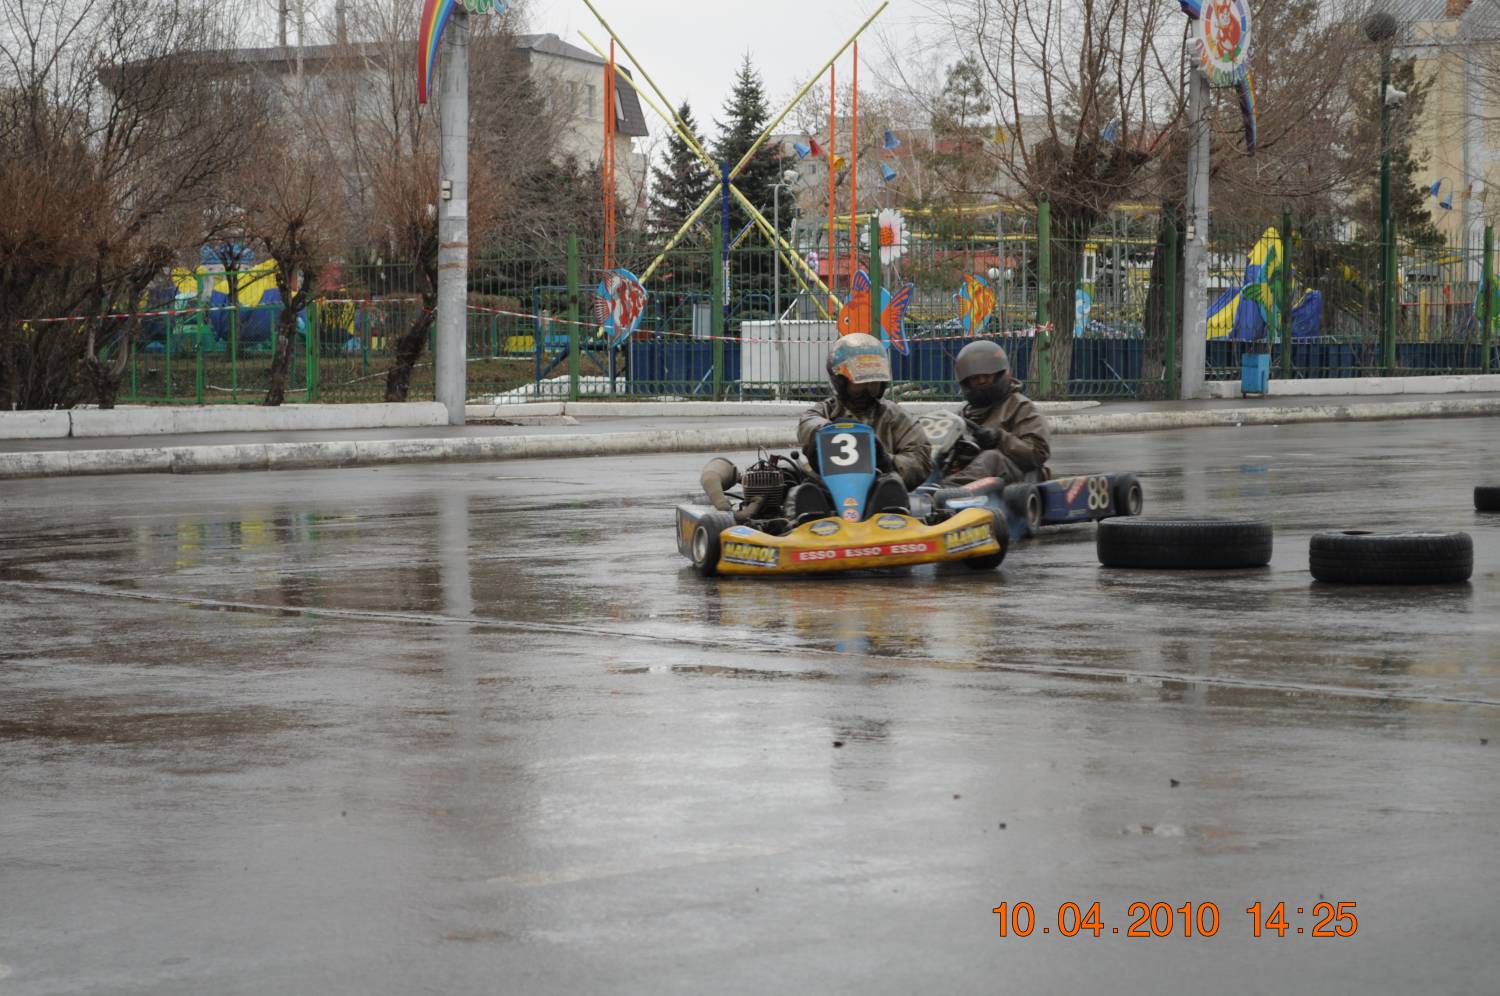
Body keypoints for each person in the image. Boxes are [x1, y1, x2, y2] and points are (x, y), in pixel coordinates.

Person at [793, 333, 932, 515]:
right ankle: (804, 521)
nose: (867, 391)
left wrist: (886, 460)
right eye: (859, 384)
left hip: (881, 496)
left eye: (873, 384)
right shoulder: (823, 411)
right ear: (841, 382)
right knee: (798, 492)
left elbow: (920, 461)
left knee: (893, 487)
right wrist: (829, 432)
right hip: (828, 496)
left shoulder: (897, 417)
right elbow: (808, 425)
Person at [942, 340, 1050, 486]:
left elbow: (1038, 452)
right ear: (966, 382)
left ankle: (950, 490)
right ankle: (924, 490)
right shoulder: (962, 413)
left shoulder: (1020, 406)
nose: (981, 381)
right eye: (975, 378)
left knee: (991, 457)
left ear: (1000, 375)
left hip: (1014, 479)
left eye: (987, 376)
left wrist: (1000, 438)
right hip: (973, 474)